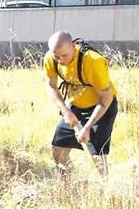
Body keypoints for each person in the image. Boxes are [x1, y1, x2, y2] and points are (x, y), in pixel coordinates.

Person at [44, 31, 118, 176]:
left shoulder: (93, 61)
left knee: (95, 154)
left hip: (101, 106)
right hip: (75, 106)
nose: (60, 60)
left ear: (73, 46)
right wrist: (66, 111)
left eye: (64, 56)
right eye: (56, 56)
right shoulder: (50, 58)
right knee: (57, 151)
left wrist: (87, 127)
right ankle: (71, 187)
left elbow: (106, 98)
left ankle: (104, 190)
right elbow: (51, 86)